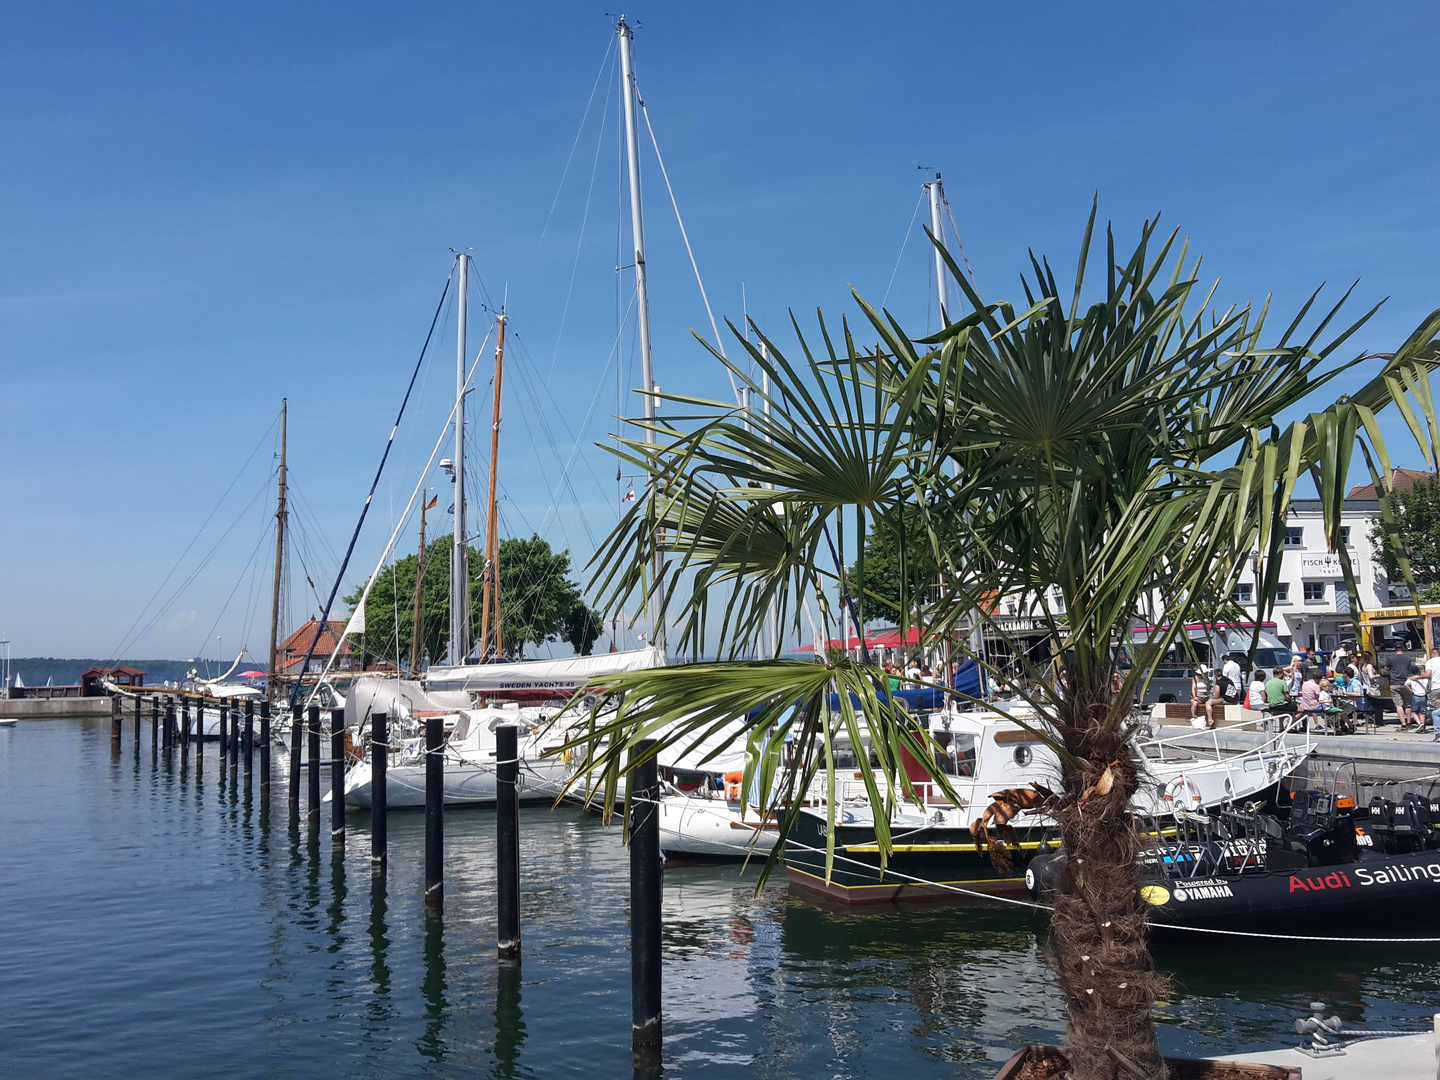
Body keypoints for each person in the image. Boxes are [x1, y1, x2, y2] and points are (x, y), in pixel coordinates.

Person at [1405, 664, 1430, 731]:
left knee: (1413, 712)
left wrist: (1410, 690)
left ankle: (1419, 724)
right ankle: (1423, 727)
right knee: (1422, 713)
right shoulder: (1424, 678)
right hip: (1423, 696)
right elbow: (1429, 685)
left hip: (1416, 696)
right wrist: (1427, 690)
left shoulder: (1411, 678)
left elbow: (1405, 685)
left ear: (1411, 672)